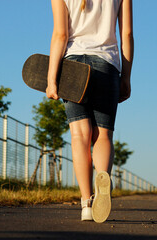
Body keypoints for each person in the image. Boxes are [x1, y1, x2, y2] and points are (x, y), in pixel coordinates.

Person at [46, 0, 134, 223]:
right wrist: (126, 76)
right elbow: (127, 34)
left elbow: (60, 35)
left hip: (73, 66)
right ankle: (102, 174)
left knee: (80, 135)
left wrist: (51, 79)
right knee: (103, 135)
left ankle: (86, 203)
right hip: (107, 65)